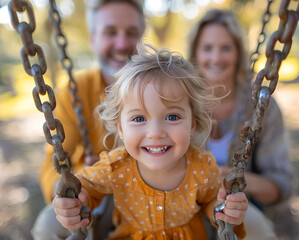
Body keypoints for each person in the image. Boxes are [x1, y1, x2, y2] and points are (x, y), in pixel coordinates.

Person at [53, 43, 248, 240]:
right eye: (139, 119)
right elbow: (86, 186)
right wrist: (75, 202)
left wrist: (225, 210)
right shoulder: (116, 167)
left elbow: (212, 202)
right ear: (121, 128)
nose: (155, 133)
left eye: (172, 117)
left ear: (192, 125)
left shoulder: (202, 168)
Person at [31, 0, 145, 239]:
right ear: (93, 39)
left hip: (153, 187)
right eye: (110, 32)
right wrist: (67, 188)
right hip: (94, 189)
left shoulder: (157, 84)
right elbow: (53, 162)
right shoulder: (77, 90)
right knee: (48, 226)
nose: (122, 43)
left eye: (132, 33)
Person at [188, 9, 293, 240]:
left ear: (238, 52)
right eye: (207, 48)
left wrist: (230, 177)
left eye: (225, 48)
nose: (216, 58)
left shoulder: (261, 106)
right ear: (195, 52)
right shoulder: (180, 101)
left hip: (239, 208)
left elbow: (280, 187)